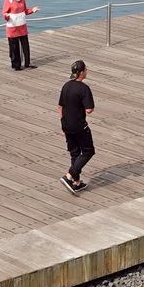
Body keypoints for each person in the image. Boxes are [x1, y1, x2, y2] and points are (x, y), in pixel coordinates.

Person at [58, 61, 95, 191]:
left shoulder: (66, 86)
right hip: (79, 126)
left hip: (67, 126)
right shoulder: (83, 88)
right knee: (88, 151)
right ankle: (69, 175)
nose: (86, 72)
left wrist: (63, 124)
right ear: (81, 73)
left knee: (75, 153)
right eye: (86, 70)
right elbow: (89, 109)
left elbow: (60, 107)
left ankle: (76, 182)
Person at [2, 0, 39, 71]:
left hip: (22, 27)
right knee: (14, 47)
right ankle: (16, 65)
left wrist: (32, 10)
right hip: (12, 28)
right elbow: (4, 13)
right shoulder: (8, 0)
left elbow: (25, 11)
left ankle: (27, 63)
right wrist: (6, 16)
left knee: (25, 46)